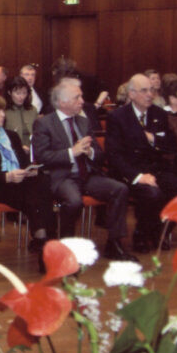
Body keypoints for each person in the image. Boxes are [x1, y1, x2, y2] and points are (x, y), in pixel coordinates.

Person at [32, 81, 135, 261]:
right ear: (62, 102)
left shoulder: (83, 121)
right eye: (77, 97)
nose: (82, 101)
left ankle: (114, 243)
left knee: (119, 189)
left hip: (87, 175)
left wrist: (90, 152)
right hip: (63, 176)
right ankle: (64, 248)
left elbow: (100, 154)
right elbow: (42, 157)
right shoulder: (45, 123)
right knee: (73, 202)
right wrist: (72, 152)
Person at [105, 74, 177, 253]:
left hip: (156, 169)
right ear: (132, 93)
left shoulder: (158, 114)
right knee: (152, 194)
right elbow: (114, 156)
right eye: (144, 90)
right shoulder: (118, 117)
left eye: (152, 90)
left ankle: (159, 230)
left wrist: (153, 140)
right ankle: (141, 234)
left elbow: (171, 145)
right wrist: (138, 177)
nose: (150, 94)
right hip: (130, 171)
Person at [0, 94, 55, 259]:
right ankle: (44, 240)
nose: (2, 115)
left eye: (2, 110)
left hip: (20, 182)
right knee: (36, 195)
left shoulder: (11, 136)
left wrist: (30, 171)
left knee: (41, 183)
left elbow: (23, 163)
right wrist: (6, 177)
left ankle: (42, 239)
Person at [3, 76, 38, 152]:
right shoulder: (3, 111)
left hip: (33, 150)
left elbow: (39, 132)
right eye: (18, 93)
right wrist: (19, 147)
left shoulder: (32, 110)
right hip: (12, 151)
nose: (21, 97)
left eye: (24, 93)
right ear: (9, 92)